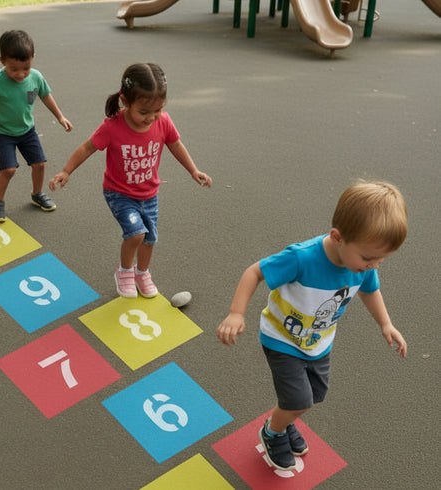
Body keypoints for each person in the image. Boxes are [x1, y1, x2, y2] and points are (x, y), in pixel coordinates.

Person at [217, 181, 408, 472]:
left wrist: (386, 324)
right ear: (338, 237)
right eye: (369, 257)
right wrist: (235, 313)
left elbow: (370, 289)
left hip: (318, 342)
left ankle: (286, 418)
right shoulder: (302, 258)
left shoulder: (363, 267)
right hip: (282, 339)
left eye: (382, 259)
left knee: (314, 395)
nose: (375, 265)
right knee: (298, 399)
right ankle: (273, 431)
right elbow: (254, 272)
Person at [48, 63, 211, 299]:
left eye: (157, 110)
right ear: (125, 102)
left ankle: (142, 273)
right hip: (119, 193)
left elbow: (175, 145)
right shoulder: (112, 127)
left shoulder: (163, 122)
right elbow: (87, 147)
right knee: (136, 233)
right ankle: (124, 271)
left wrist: (193, 170)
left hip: (149, 193)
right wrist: (66, 171)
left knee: (150, 238)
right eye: (144, 112)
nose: (151, 117)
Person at [0, 29, 72, 222]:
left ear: (33, 58)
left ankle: (37, 194)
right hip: (3, 132)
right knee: (9, 169)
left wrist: (60, 117)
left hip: (27, 130)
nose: (21, 74)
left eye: (26, 68)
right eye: (14, 69)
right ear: (2, 61)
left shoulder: (36, 77)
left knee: (39, 164)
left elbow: (45, 96)